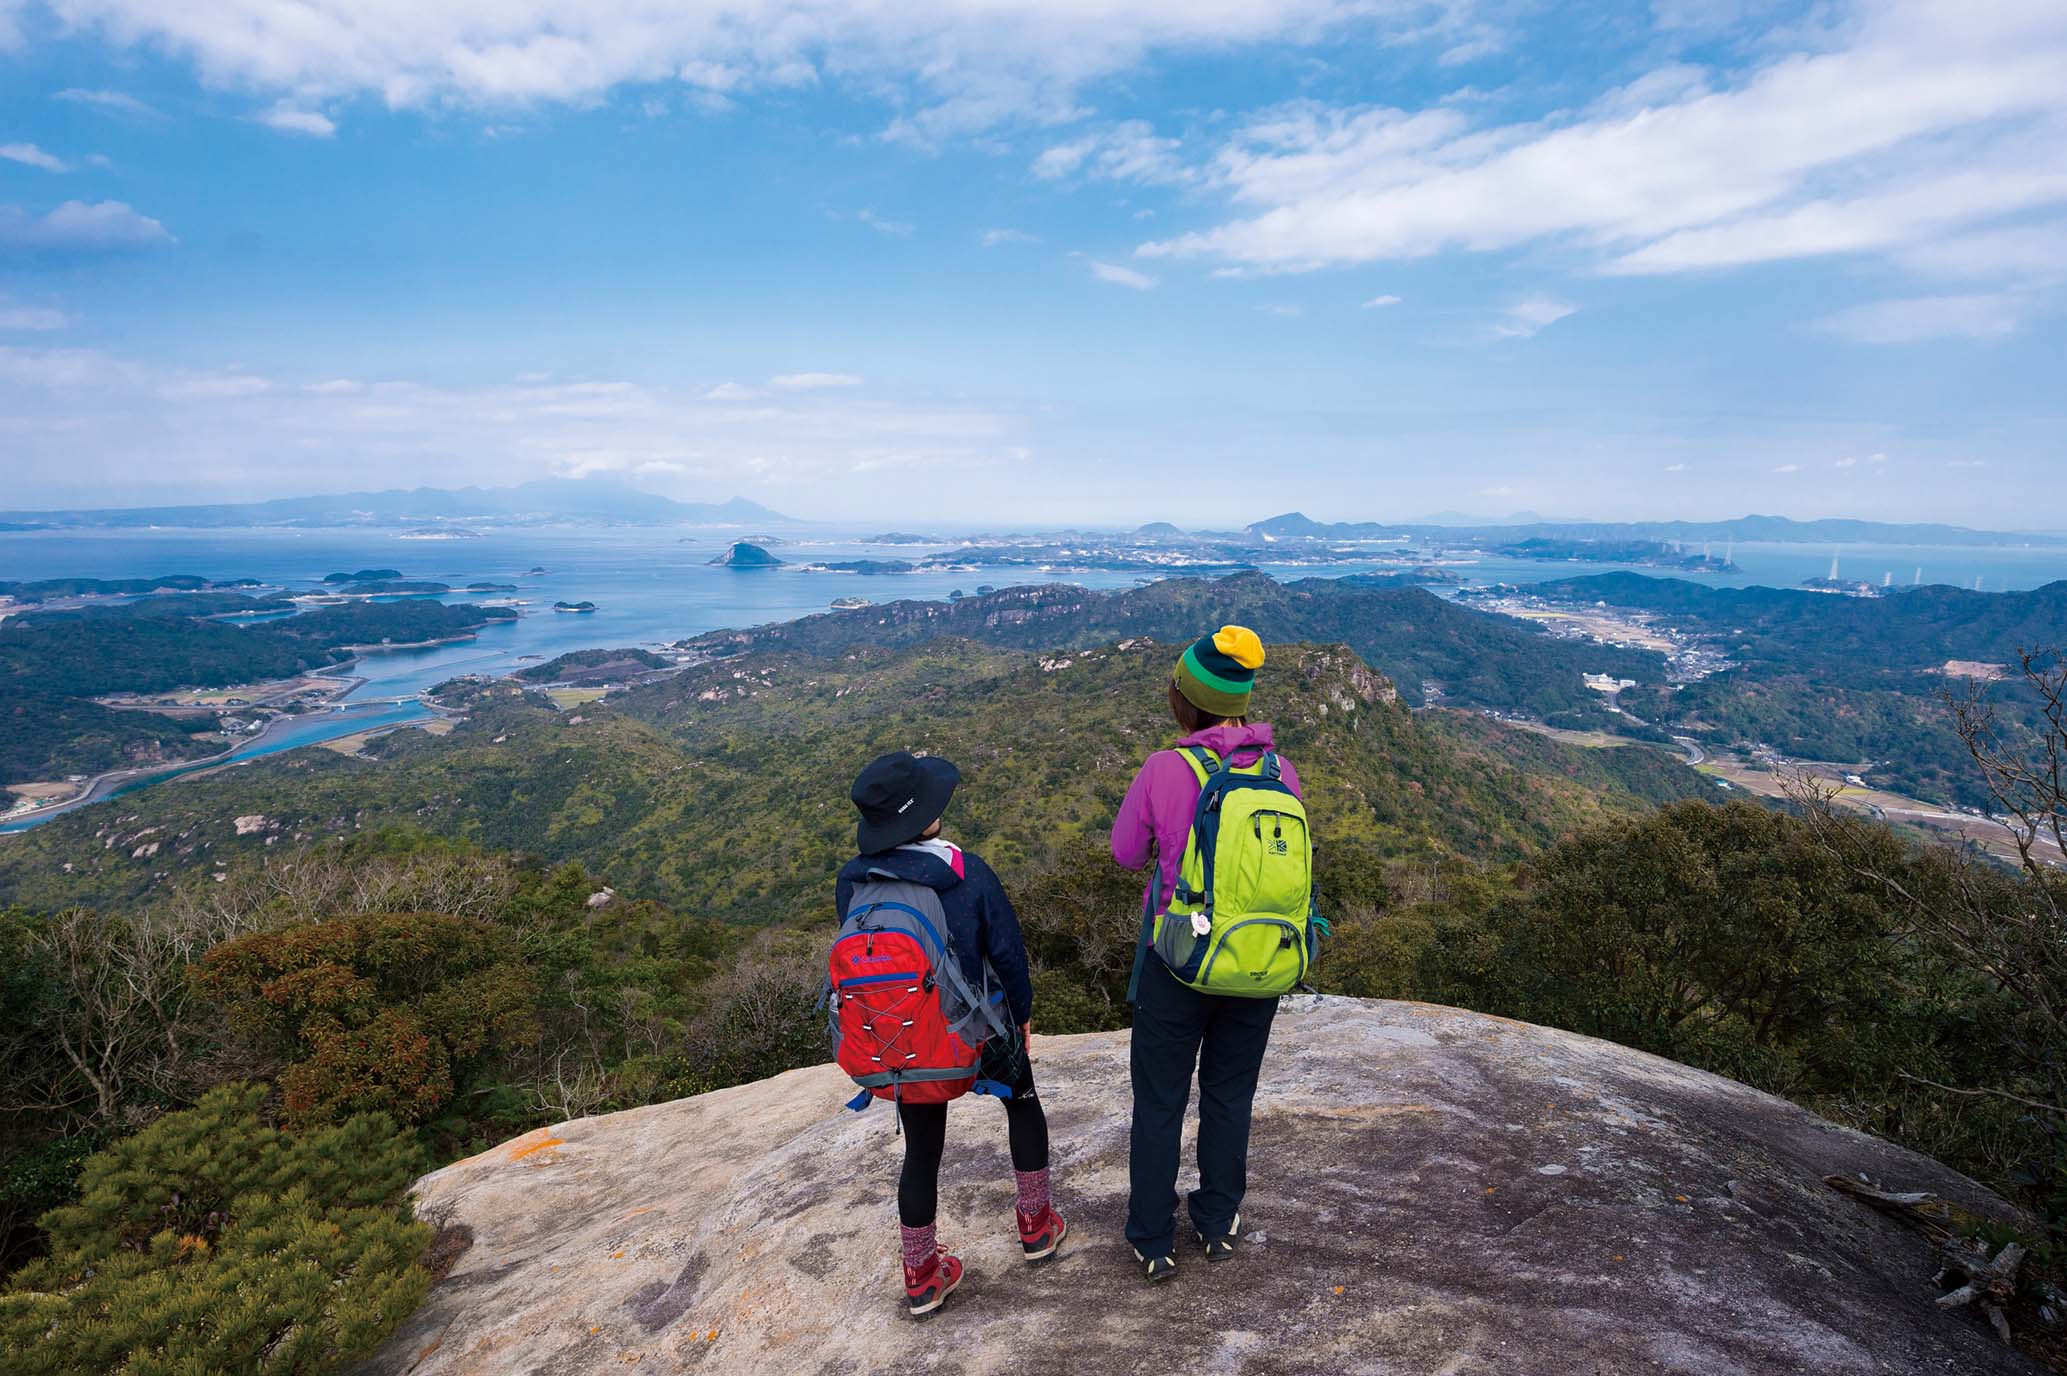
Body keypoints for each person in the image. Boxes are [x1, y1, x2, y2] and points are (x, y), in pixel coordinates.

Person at [837, 750, 1067, 1318]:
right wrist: (1022, 1013)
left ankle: (921, 1276)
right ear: (925, 817)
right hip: (983, 1027)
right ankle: (1036, 1226)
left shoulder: (852, 880)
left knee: (922, 1150)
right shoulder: (966, 872)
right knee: (1023, 1104)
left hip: (910, 1038)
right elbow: (1007, 953)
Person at [1111, 625, 1300, 1282]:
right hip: (1256, 959)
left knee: (1160, 1099)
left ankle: (1152, 1237)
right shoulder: (1281, 771)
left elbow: (1125, 853)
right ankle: (1218, 1221)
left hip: (1179, 959)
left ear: (1185, 700)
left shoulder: (1167, 767)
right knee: (1229, 1093)